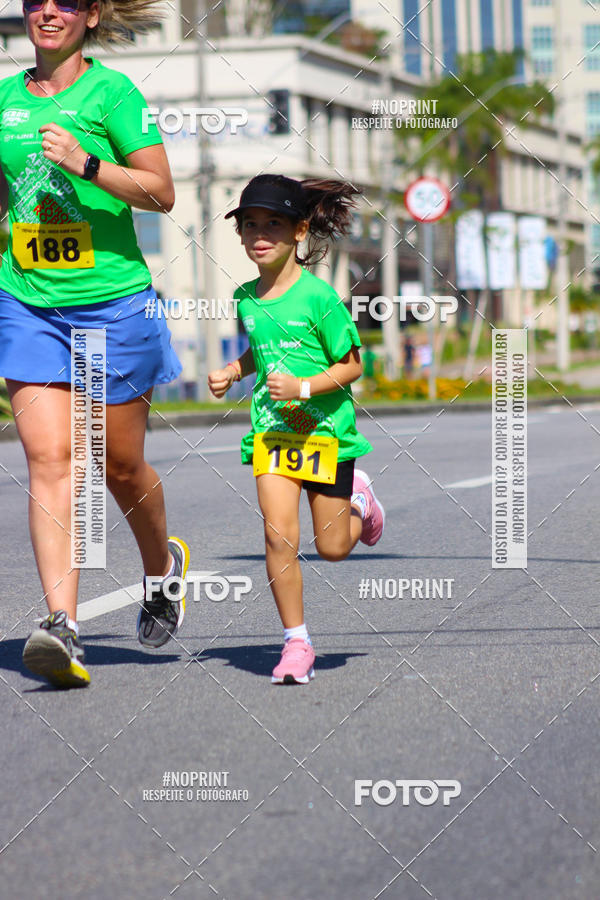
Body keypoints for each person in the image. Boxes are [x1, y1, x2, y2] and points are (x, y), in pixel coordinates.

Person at [0, 0, 189, 689]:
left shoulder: (112, 94)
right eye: (36, 1)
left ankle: (161, 570)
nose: (49, 11)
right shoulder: (3, 101)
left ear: (91, 17)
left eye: (67, 1)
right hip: (26, 301)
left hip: (111, 305)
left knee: (118, 465)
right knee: (50, 460)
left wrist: (85, 163)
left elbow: (161, 192)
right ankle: (61, 625)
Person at [208, 174, 385, 685]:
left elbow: (352, 366)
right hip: (273, 434)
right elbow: (261, 353)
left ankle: (361, 503)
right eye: (250, 225)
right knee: (277, 535)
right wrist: (233, 372)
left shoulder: (319, 299)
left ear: (300, 231)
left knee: (332, 547)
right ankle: (297, 643)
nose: (259, 235)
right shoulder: (245, 297)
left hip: (326, 434)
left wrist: (305, 388)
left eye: (273, 225)